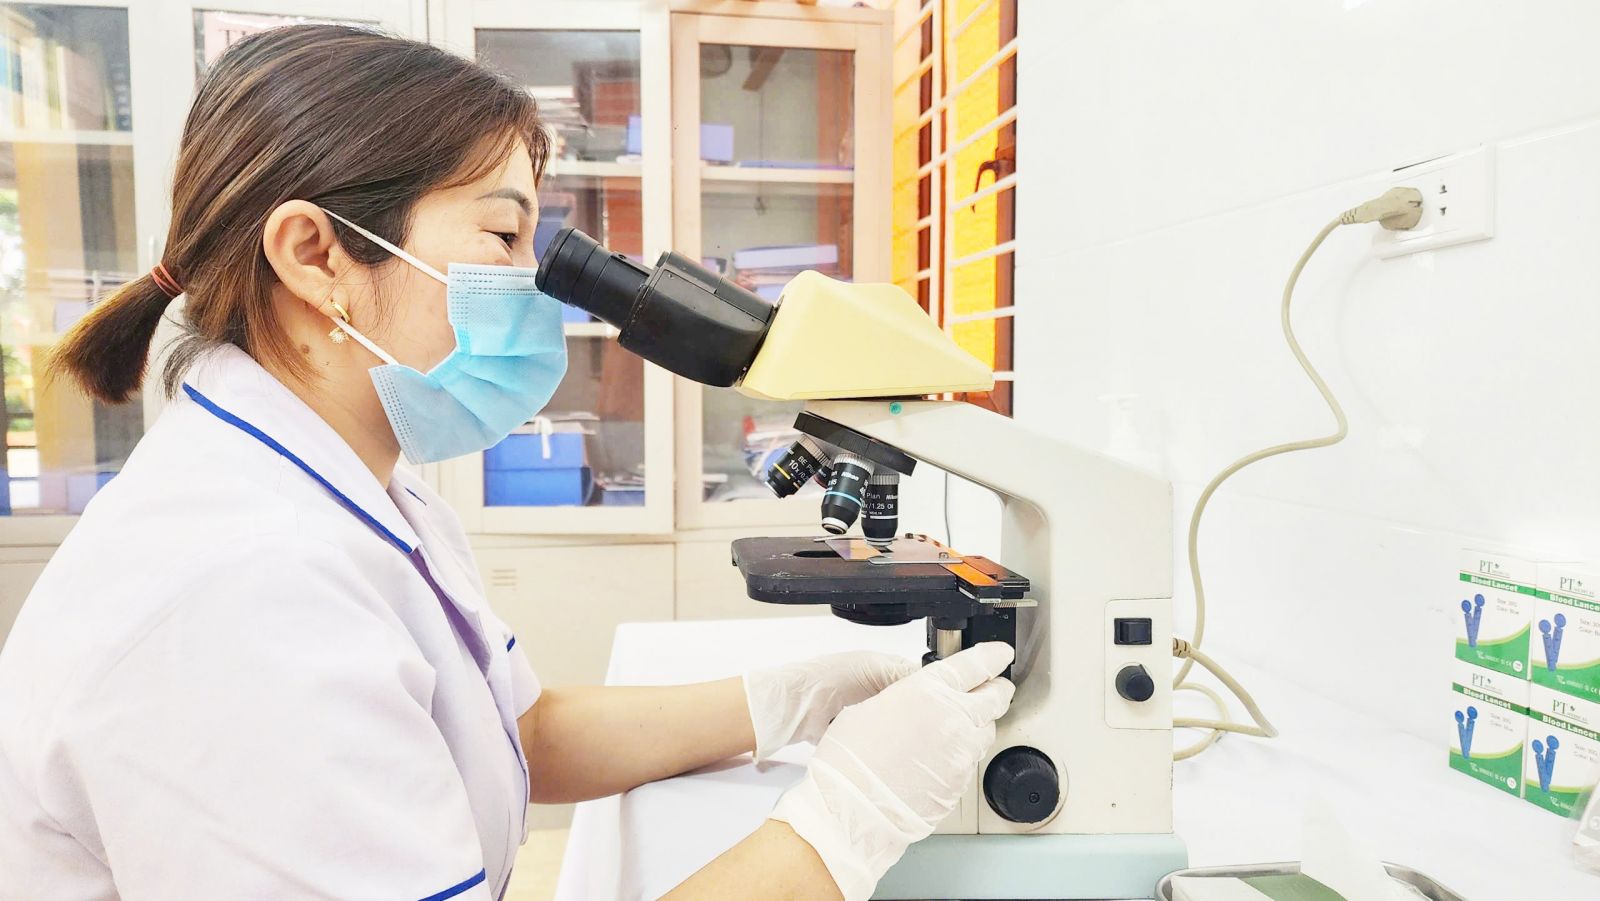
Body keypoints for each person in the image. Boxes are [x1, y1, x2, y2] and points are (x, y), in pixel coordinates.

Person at [0, 25, 1014, 901]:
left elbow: (522, 732)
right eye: (501, 232)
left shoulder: (351, 490)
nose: (536, 284)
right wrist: (842, 824)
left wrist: (787, 699)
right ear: (315, 255)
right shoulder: (236, 592)